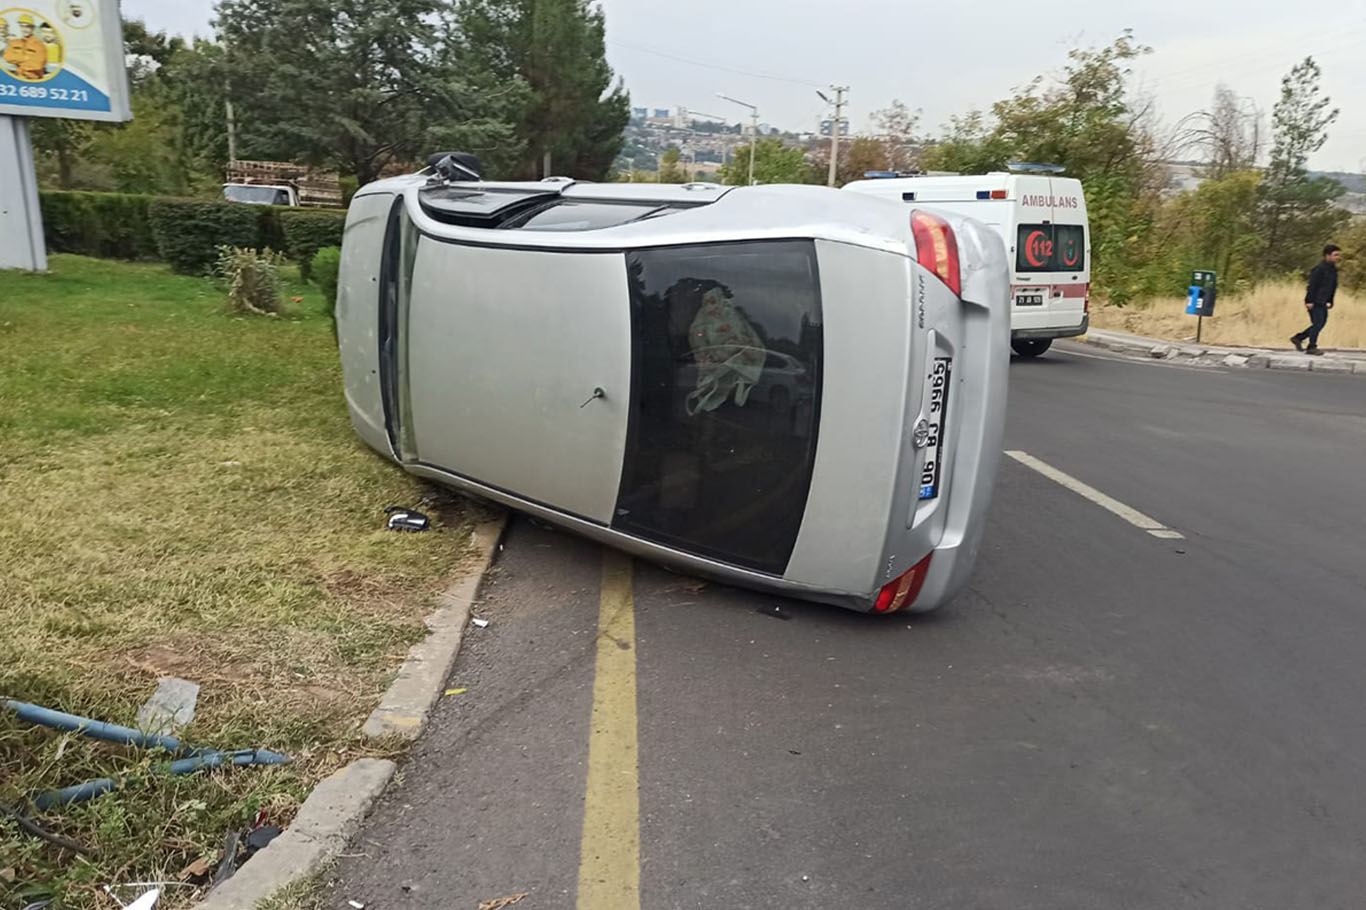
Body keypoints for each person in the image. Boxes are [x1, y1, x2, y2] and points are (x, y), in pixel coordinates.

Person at [1291, 244, 1341, 355]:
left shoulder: (1333, 270)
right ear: (1327, 255)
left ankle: (1298, 338)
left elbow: (1332, 286)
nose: (1337, 257)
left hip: (1323, 300)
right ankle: (1311, 347)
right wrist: (1309, 300)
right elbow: (1312, 285)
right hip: (1315, 300)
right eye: (1335, 255)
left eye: (1338, 255)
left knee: (1320, 323)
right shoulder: (1319, 269)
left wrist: (1331, 300)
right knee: (1318, 323)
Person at [2, 13, 47, 81]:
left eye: (27, 27)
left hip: (34, 80)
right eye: (22, 26)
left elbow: (37, 65)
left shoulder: (40, 46)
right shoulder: (14, 42)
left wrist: (17, 61)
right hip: (16, 77)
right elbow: (7, 57)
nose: (24, 29)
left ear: (32, 28)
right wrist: (25, 58)